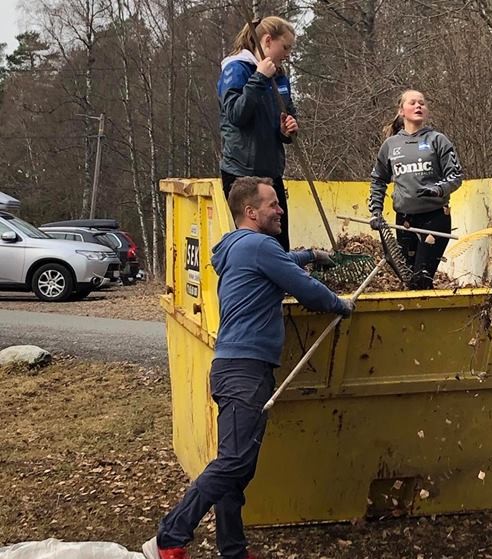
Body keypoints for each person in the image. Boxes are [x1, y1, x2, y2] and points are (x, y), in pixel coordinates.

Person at [142, 177, 351, 559]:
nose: (280, 210)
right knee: (234, 461)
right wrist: (339, 304)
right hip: (245, 369)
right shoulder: (259, 245)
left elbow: (282, 266)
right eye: (273, 204)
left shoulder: (240, 248)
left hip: (232, 367)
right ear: (251, 212)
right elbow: (306, 291)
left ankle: (233, 551)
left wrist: (306, 255)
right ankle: (169, 537)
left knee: (237, 468)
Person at [368, 89, 464, 289]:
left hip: (435, 218)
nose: (419, 106)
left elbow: (456, 176)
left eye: (422, 103)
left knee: (421, 278)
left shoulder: (437, 140)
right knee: (408, 278)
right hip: (404, 221)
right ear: (401, 111)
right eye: (412, 103)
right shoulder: (390, 145)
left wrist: (437, 190)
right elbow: (378, 179)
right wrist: (375, 211)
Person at [217, 16, 298, 251]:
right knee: (253, 246)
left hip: (271, 172)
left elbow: (287, 116)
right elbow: (236, 114)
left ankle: (280, 287)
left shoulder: (281, 76)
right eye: (285, 47)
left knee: (280, 243)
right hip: (242, 173)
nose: (287, 54)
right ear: (267, 41)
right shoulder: (236, 69)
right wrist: (259, 78)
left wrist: (288, 129)